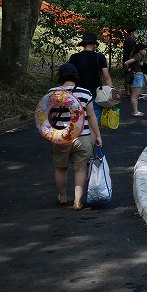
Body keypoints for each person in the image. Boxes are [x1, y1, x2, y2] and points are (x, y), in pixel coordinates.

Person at [47, 62, 103, 210]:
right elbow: (91, 116)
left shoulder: (52, 92)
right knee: (80, 169)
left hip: (60, 137)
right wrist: (98, 135)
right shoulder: (85, 93)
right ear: (76, 76)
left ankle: (63, 196)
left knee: (61, 168)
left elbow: (45, 115)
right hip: (83, 136)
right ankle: (77, 201)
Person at [69, 32, 111, 123]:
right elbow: (106, 76)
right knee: (93, 120)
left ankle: (80, 136)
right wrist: (110, 90)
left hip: (77, 93)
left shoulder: (74, 57)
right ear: (93, 44)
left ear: (83, 44)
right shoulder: (99, 57)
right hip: (94, 93)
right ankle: (92, 136)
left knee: (78, 120)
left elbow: (70, 75)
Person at [124, 43, 147, 117]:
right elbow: (126, 63)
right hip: (137, 76)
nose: (145, 51)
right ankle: (135, 112)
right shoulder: (137, 56)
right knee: (134, 96)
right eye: (144, 49)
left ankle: (136, 111)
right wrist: (128, 69)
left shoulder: (139, 57)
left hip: (138, 75)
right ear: (140, 50)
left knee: (135, 95)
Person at [122, 26, 137, 97]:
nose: (136, 33)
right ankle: (129, 92)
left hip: (127, 59)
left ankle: (127, 92)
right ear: (132, 32)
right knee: (129, 76)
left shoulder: (128, 40)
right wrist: (132, 60)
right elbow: (132, 52)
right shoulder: (130, 40)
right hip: (129, 60)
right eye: (135, 31)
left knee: (128, 75)